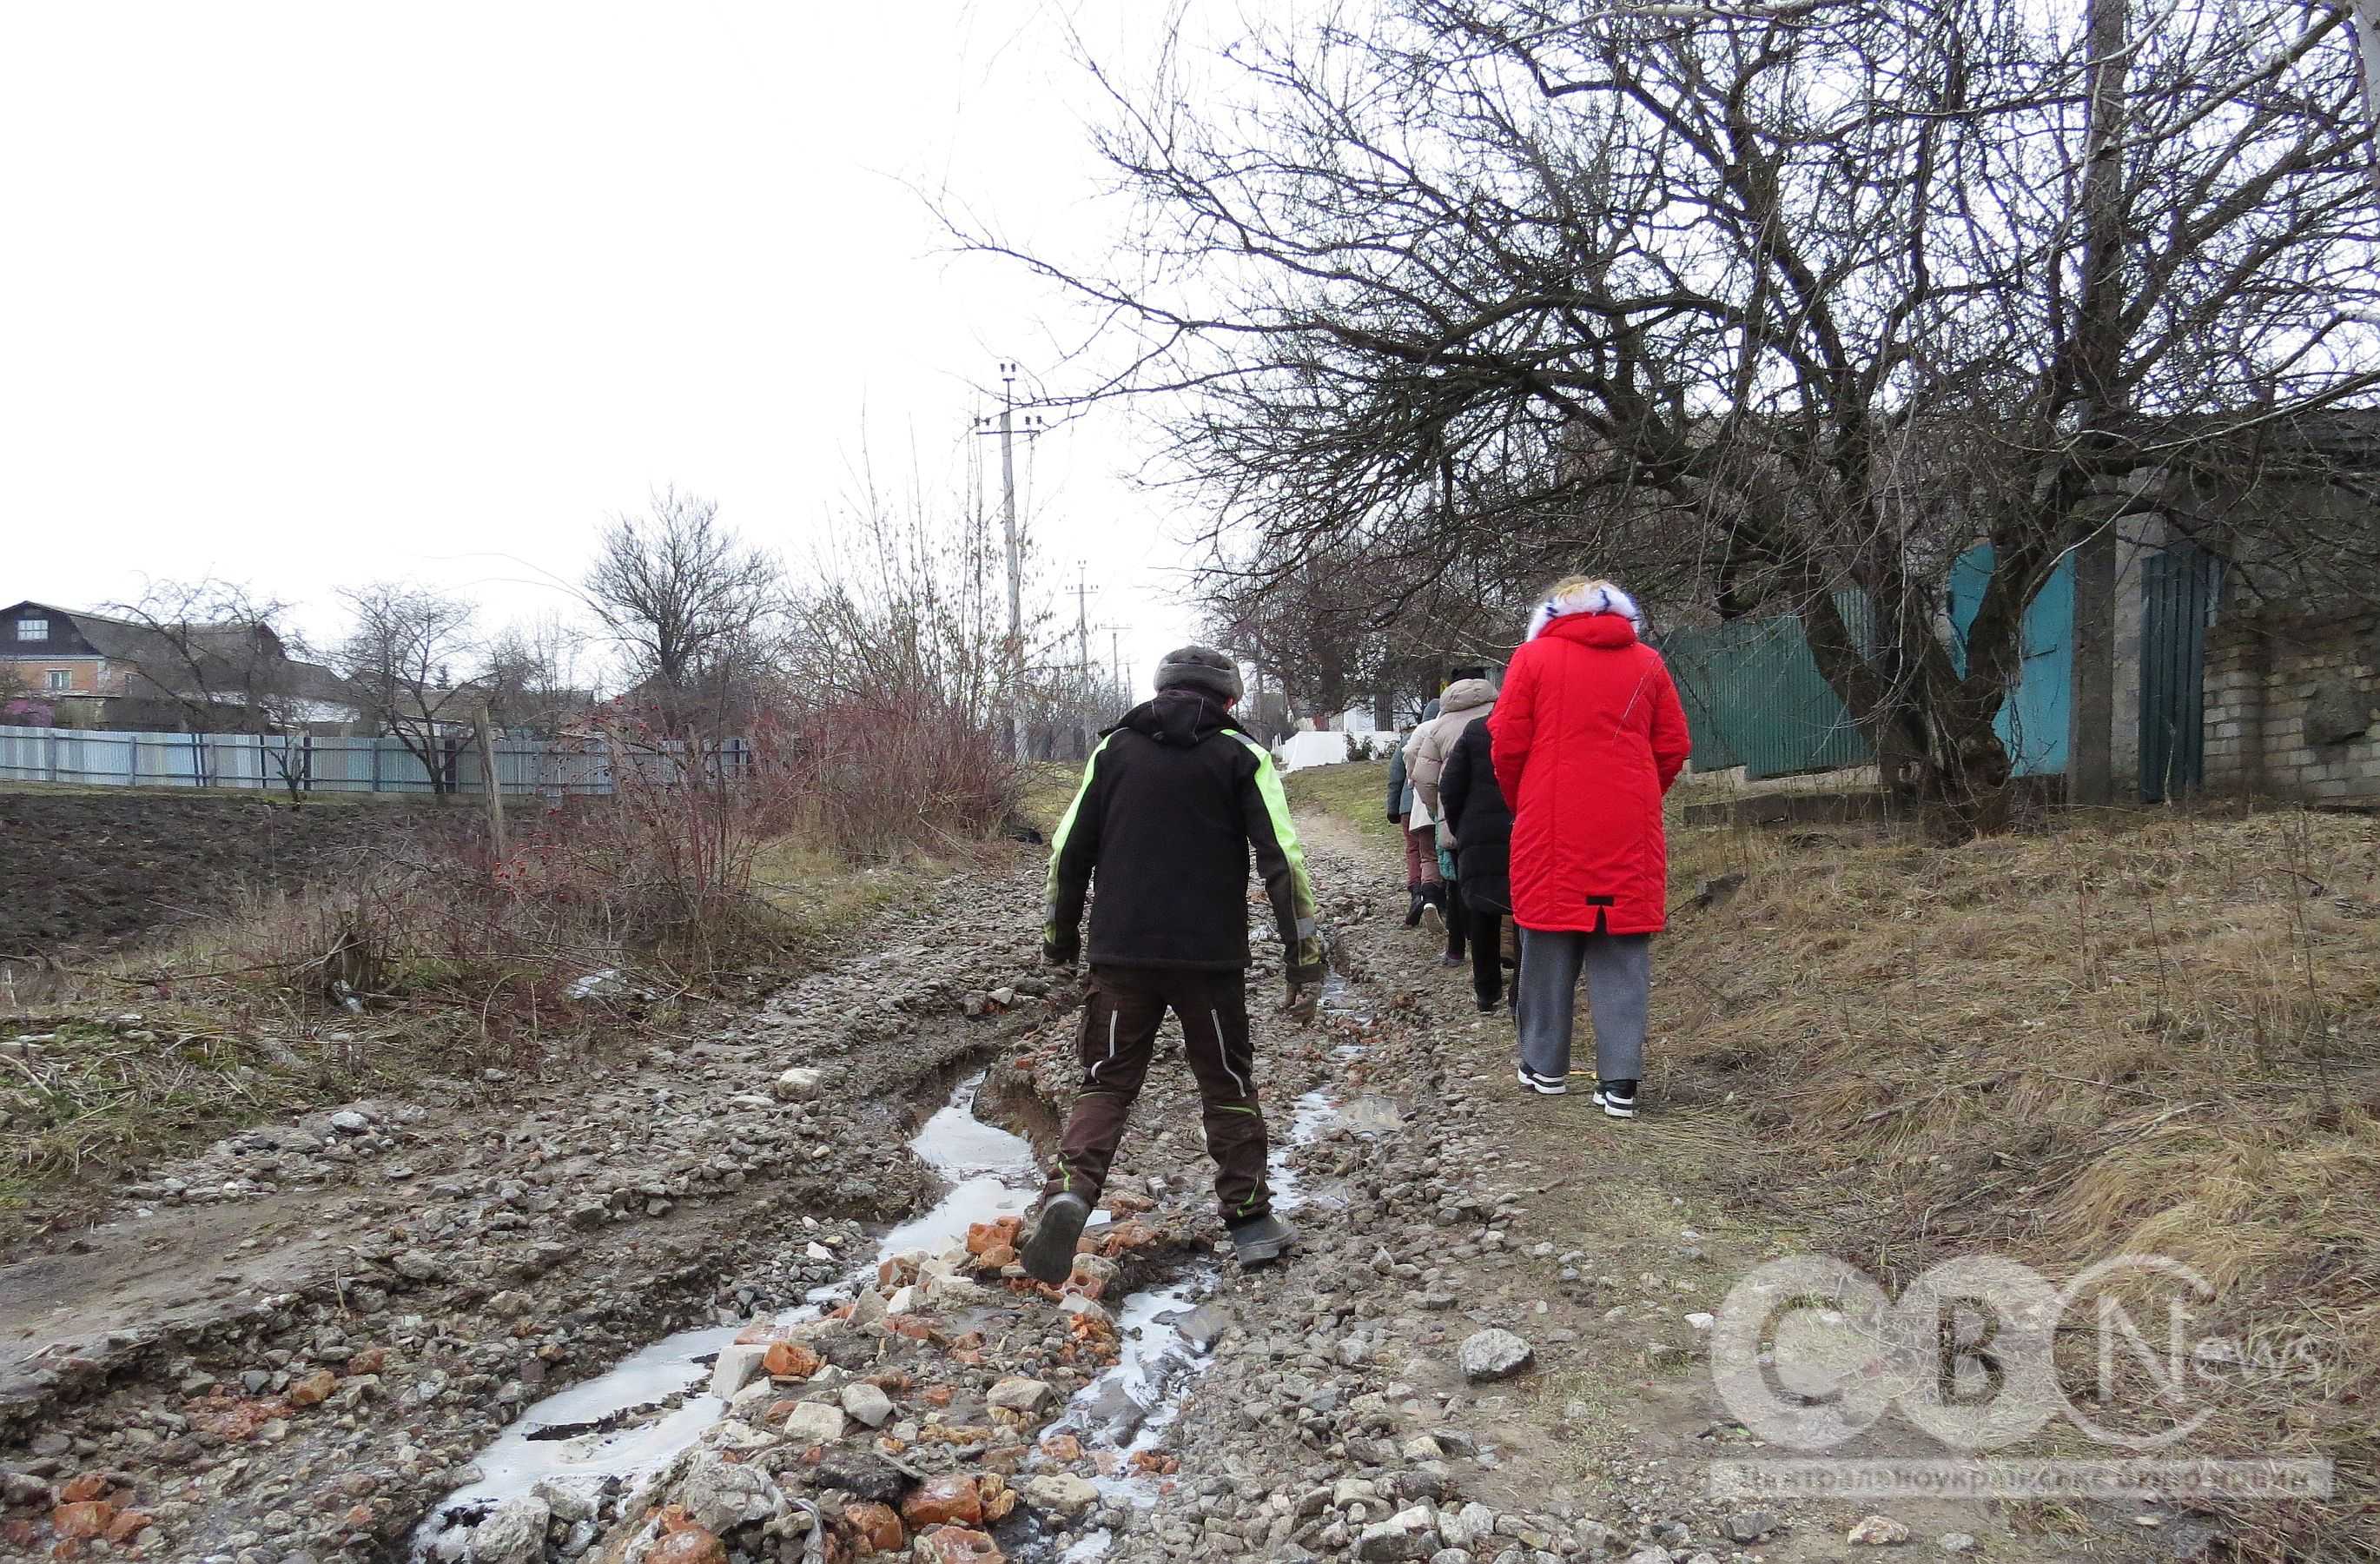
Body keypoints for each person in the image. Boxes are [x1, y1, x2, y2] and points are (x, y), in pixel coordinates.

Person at [1027, 645, 1327, 1278]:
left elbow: (1066, 854)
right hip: (1210, 961)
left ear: (1159, 689)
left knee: (1106, 1081)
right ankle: (1250, 1223)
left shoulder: (1113, 752)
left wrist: (1060, 939)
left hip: (1119, 955)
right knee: (1226, 1084)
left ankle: (1070, 1196)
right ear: (1232, 700)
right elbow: (1285, 860)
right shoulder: (1242, 756)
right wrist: (1303, 958)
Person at [1491, 578, 1691, 1117]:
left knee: (1548, 945)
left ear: (1552, 614)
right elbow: (1672, 745)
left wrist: (1525, 799)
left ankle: (1545, 1066)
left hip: (1551, 825)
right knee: (1622, 953)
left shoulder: (1531, 661)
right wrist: (1640, 793)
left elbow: (1507, 743)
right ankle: (1620, 1083)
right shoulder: (1648, 662)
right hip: (1629, 827)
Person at [1404, 671, 1497, 967]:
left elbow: (1423, 777)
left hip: (1459, 818)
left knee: (1457, 885)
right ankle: (1511, 962)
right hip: (1509, 817)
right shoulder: (1503, 716)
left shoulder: (1438, 728)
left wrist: (1441, 812)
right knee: (1508, 887)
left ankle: (1458, 951)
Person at [1437, 710, 1513, 1014]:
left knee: (1482, 910)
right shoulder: (1542, 726)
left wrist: (1460, 827)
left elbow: (1450, 785)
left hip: (1478, 830)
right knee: (1523, 912)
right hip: (1523, 827)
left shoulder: (1477, 729)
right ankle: (1521, 989)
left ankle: (1487, 991)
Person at [1385, 697, 1443, 928]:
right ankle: (1438, 896)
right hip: (1434, 803)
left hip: (1408, 806)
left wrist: (1392, 809)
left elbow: (1395, 777)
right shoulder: (1444, 733)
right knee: (1435, 850)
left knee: (1413, 850)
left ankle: (1416, 892)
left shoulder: (1409, 739)